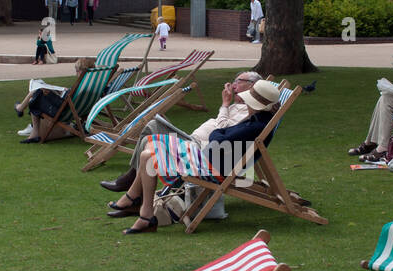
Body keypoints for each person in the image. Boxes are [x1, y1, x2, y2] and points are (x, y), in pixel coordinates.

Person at [111, 79, 283, 233]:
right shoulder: (258, 120)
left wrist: (218, 132)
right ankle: (144, 212)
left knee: (148, 153)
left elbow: (218, 137)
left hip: (210, 168)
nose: (247, 103)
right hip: (209, 160)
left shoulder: (254, 126)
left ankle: (141, 210)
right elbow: (222, 136)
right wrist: (219, 133)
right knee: (148, 150)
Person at [99, 71, 263, 193]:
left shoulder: (250, 112)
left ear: (252, 86)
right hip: (192, 140)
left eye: (238, 81)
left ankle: (132, 185)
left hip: (199, 149)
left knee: (150, 135)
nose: (233, 84)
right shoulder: (240, 106)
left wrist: (225, 104)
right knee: (152, 125)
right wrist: (228, 105)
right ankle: (133, 183)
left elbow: (224, 130)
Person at [14, 56, 95, 141]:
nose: (76, 74)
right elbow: (70, 98)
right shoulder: (91, 84)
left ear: (82, 71)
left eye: (77, 71)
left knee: (37, 94)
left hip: (62, 112)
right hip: (75, 110)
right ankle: (21, 109)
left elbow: (64, 103)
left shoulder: (81, 85)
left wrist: (52, 93)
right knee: (40, 90)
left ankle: (24, 115)